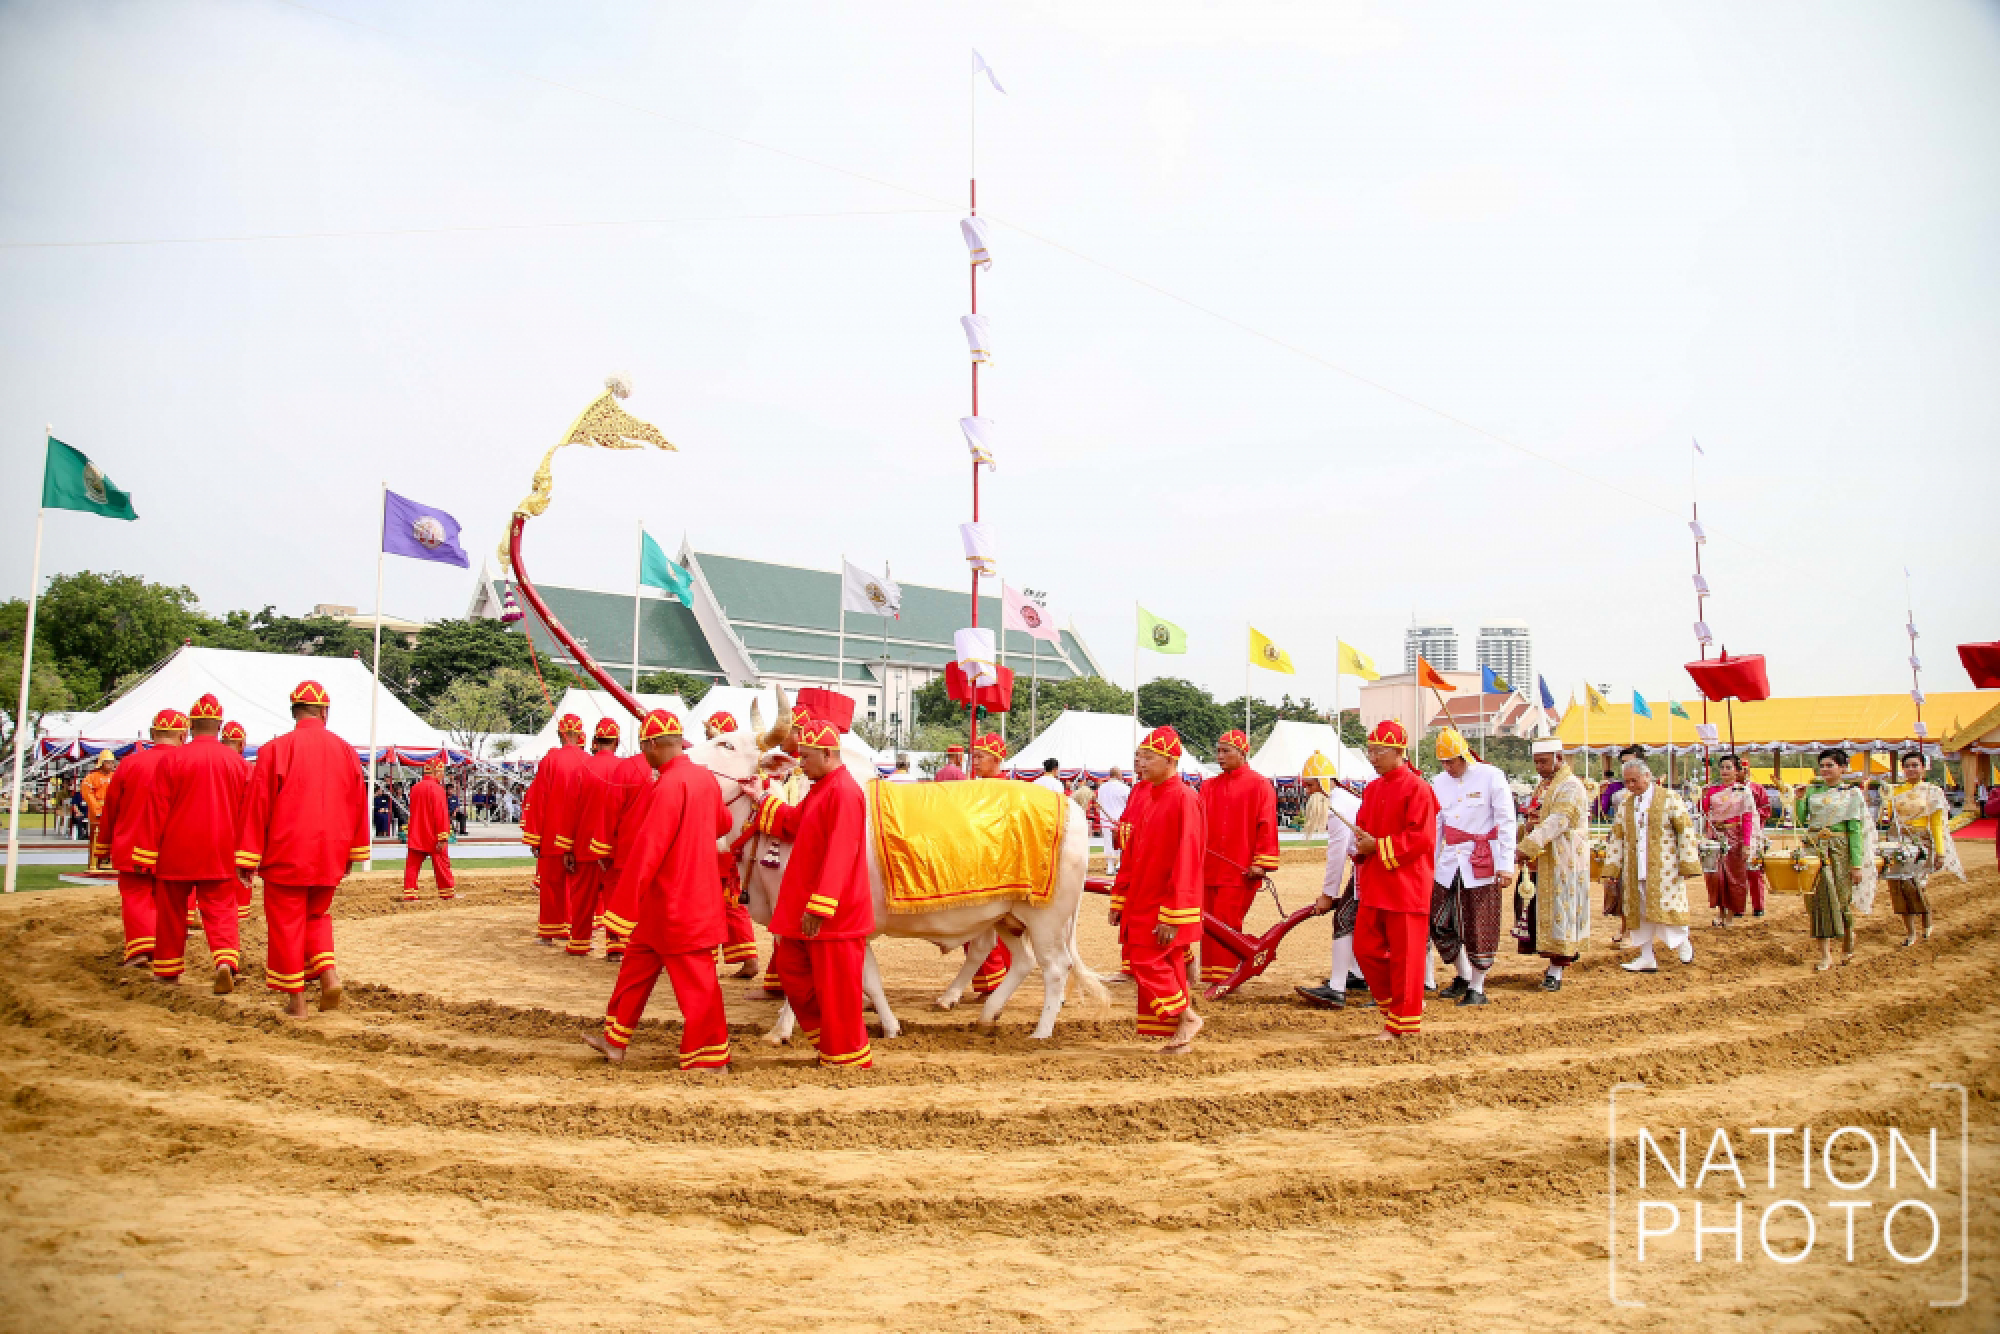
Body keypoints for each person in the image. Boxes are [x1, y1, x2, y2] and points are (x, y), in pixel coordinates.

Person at [584, 710, 734, 1068]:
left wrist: (620, 905)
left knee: (697, 984)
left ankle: (710, 1057)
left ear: (652, 745)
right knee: (635, 969)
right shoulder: (704, 779)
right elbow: (723, 824)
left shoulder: (666, 785)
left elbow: (648, 850)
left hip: (674, 903)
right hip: (683, 899)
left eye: (644, 747)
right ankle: (614, 1040)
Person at [235, 681, 370, 1018]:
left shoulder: (275, 750)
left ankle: (297, 1002)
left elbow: (257, 807)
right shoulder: (347, 751)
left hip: (287, 852)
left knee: (286, 922)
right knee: (317, 916)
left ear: (294, 711)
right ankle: (328, 975)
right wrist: (354, 852)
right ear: (324, 711)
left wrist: (247, 855)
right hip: (331, 853)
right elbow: (358, 804)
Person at [759, 718, 876, 1068]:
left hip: (833, 913)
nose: (800, 764)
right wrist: (764, 800)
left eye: (806, 757)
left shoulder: (844, 791)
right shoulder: (821, 786)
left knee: (838, 993)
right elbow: (795, 824)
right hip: (807, 905)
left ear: (827, 754)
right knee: (793, 971)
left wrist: (821, 907)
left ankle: (847, 1056)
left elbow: (842, 852)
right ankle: (830, 1043)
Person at [131, 694, 250, 993]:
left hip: (176, 849)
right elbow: (247, 812)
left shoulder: (173, 759)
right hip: (221, 849)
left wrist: (145, 853)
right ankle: (224, 960)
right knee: (221, 908)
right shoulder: (237, 763)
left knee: (171, 912)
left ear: (190, 726)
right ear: (219, 726)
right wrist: (246, 855)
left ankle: (168, 971)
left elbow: (156, 807)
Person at [1107, 726, 1205, 1053]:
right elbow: (1132, 855)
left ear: (1170, 760)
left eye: (1148, 757)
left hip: (1163, 901)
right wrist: (1120, 899)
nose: (1141, 763)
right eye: (1140, 757)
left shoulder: (1184, 798)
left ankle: (1187, 1016)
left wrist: (1173, 914)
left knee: (1144, 960)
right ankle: (1181, 1030)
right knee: (1158, 960)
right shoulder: (1149, 796)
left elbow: (1188, 860)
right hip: (1142, 897)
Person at [1347, 720, 1439, 1039]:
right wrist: (1359, 847)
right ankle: (1399, 1006)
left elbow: (1422, 838)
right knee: (1364, 948)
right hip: (1376, 882)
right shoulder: (1372, 789)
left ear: (1399, 752)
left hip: (1407, 885)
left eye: (1378, 752)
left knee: (1407, 957)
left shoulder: (1419, 788)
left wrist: (1378, 846)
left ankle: (1404, 1021)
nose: (1372, 758)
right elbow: (1363, 828)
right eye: (1370, 751)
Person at [1428, 727, 1517, 1007]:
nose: (1448, 767)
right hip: (1449, 863)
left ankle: (1477, 987)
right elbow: (1436, 828)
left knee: (1479, 926)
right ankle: (1464, 975)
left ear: (1464, 755)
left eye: (1451, 761)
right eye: (1443, 762)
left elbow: (1506, 821)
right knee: (1439, 921)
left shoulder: (1491, 776)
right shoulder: (1438, 782)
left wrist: (1505, 864)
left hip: (1482, 861)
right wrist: (1428, 867)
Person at [93, 711, 187, 968]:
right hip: (175, 844)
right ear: (183, 735)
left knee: (136, 894)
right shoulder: (187, 761)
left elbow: (111, 807)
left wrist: (102, 846)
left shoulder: (130, 764)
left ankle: (141, 947)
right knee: (170, 898)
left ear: (152, 734)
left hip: (133, 841)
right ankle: (166, 951)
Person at [1196, 728, 1280, 991]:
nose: (1219, 756)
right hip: (1208, 866)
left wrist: (1261, 862)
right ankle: (1212, 976)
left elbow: (1267, 825)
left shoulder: (1260, 785)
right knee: (1208, 920)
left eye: (1225, 751)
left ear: (1243, 753)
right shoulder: (1209, 786)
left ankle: (1225, 977)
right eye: (1218, 751)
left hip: (1239, 869)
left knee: (1226, 920)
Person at [1602, 758, 1702, 974]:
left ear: (1647, 776)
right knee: (1639, 912)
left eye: (1634, 780)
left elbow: (1684, 830)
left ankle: (1682, 942)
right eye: (1627, 782)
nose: (1630, 786)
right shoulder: (1626, 805)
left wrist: (1687, 862)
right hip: (1634, 868)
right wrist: (1612, 869)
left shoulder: (1669, 798)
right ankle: (1646, 957)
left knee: (1668, 907)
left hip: (1665, 868)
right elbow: (1617, 838)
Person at [1514, 737, 1593, 990]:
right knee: (1537, 911)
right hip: (1540, 861)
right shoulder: (1543, 786)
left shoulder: (1570, 786)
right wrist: (1523, 830)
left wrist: (1527, 846)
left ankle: (1556, 968)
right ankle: (1555, 960)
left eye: (1544, 762)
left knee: (1561, 913)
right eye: (1536, 762)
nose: (1539, 767)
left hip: (1562, 860)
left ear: (1559, 758)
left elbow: (1558, 821)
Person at [1797, 748, 1872, 971]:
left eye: (1830, 765)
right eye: (1823, 765)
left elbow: (1855, 831)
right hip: (1815, 847)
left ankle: (1848, 936)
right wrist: (1799, 800)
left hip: (1840, 849)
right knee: (1818, 901)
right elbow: (1802, 820)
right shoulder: (1812, 792)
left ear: (1843, 768)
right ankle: (1825, 955)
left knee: (1840, 900)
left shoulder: (1851, 794)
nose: (1825, 769)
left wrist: (1856, 864)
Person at [1294, 781, 1367, 1008]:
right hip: (1366, 868)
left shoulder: (1337, 806)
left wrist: (1328, 895)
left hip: (1371, 870)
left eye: (1309, 786)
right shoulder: (1344, 799)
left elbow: (1337, 854)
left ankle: (1337, 987)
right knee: (1354, 921)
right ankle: (1358, 974)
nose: (1307, 792)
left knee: (1345, 920)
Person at [1881, 751, 1964, 946]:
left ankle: (1927, 921)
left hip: (1920, 842)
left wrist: (1940, 852)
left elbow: (1936, 824)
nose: (1910, 769)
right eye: (1907, 766)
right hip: (1899, 840)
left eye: (1914, 765)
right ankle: (1910, 932)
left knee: (1915, 885)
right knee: (1898, 885)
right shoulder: (1896, 791)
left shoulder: (1932, 791)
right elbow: (1890, 818)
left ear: (1923, 768)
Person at [560, 718, 626, 957]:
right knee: (615, 898)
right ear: (616, 742)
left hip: (584, 843)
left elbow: (570, 810)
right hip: (613, 845)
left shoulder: (582, 768)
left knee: (582, 897)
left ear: (595, 741)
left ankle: (578, 943)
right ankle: (616, 947)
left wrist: (567, 847)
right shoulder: (624, 769)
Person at [522, 713, 588, 944]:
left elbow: (539, 798)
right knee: (576, 886)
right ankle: (573, 928)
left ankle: (550, 932)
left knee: (551, 885)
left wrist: (534, 836)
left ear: (561, 733)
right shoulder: (588, 760)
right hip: (579, 835)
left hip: (552, 833)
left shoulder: (551, 759)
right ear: (580, 735)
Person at [964, 732, 1016, 994]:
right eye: (974, 756)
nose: (975, 761)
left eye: (981, 756)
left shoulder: (1007, 790)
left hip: (996, 868)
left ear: (996, 759)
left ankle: (998, 980)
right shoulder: (974, 787)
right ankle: (990, 983)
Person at [1699, 755, 1762, 928]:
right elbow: (1704, 811)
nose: (1725, 771)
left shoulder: (1743, 791)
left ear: (1737, 771)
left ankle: (1732, 913)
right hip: (1716, 835)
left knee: (1735, 876)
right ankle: (1720, 911)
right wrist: (1702, 797)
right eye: (1722, 768)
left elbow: (1747, 818)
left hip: (1736, 836)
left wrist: (1747, 844)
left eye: (1729, 768)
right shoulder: (1713, 790)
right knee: (1716, 876)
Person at [402, 757, 457, 902]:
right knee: (442, 863)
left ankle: (410, 893)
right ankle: (447, 892)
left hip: (416, 832)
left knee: (412, 866)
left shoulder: (415, 788)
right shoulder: (437, 789)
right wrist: (443, 836)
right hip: (433, 833)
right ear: (437, 772)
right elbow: (440, 814)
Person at [220, 721, 254, 920]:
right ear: (242, 744)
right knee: (239, 874)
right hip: (238, 831)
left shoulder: (208, 763)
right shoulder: (246, 768)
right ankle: (239, 913)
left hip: (209, 829)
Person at [80, 753, 115, 866]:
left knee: (112, 839)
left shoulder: (115, 776)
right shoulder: (91, 778)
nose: (111, 765)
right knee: (96, 839)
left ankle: (109, 862)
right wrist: (97, 811)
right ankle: (94, 864)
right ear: (101, 763)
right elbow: (88, 795)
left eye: (112, 762)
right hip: (98, 814)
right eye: (108, 762)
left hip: (112, 812)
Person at [1098, 766, 1131, 873]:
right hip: (1120, 819)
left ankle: (1110, 867)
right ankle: (1120, 864)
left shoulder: (1102, 788)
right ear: (1118, 775)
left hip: (1106, 819)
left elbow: (1099, 804)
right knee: (1122, 842)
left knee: (1108, 842)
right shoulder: (1124, 788)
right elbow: (1130, 804)